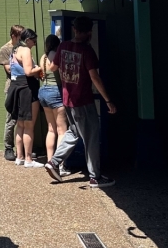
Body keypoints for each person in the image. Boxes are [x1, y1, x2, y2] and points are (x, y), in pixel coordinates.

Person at [45, 16, 117, 188]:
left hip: (68, 99)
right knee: (91, 136)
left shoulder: (63, 46)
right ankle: (95, 177)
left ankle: (54, 161)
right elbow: (94, 77)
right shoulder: (87, 51)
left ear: (74, 29)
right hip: (83, 100)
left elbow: (52, 67)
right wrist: (108, 100)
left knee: (74, 131)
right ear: (90, 32)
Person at [9, 29, 44, 168]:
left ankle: (19, 157)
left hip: (16, 89)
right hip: (27, 90)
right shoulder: (26, 50)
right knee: (29, 126)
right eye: (34, 41)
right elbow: (29, 72)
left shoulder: (14, 50)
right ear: (28, 39)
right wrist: (40, 68)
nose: (34, 44)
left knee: (20, 125)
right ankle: (28, 159)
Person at [38, 33, 69, 162]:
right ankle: (59, 165)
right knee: (62, 130)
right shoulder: (57, 55)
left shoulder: (43, 57)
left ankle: (50, 161)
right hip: (55, 91)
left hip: (43, 91)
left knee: (51, 129)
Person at [0, 24, 24, 161]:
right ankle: (8, 147)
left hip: (24, 86)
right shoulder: (5, 49)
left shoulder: (23, 48)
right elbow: (9, 69)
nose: (22, 40)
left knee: (24, 117)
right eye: (20, 37)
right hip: (12, 87)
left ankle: (22, 148)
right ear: (13, 36)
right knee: (11, 118)